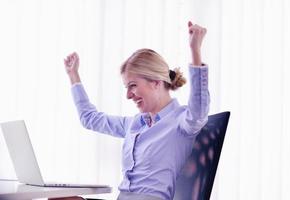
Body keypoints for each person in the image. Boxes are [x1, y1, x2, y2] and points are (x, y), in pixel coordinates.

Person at [64, 21, 210, 200]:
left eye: (132, 86)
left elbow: (199, 110)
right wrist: (73, 75)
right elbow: (90, 119)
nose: (128, 95)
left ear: (156, 81)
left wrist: (195, 50)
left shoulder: (182, 121)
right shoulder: (134, 124)